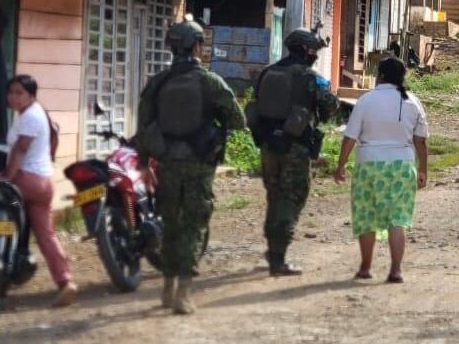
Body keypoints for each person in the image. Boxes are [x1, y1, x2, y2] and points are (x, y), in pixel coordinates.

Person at [136, 19, 245, 315]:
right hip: (199, 163)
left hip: (166, 163)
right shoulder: (210, 82)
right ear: (197, 46)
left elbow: (144, 126)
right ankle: (184, 291)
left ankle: (167, 289)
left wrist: (143, 164)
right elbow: (237, 119)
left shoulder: (157, 83)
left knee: (170, 223)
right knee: (194, 225)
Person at [250, 29, 339, 276]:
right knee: (291, 198)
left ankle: (273, 249)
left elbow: (256, 104)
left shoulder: (268, 72)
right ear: (303, 50)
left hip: (268, 146)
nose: (315, 55)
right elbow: (330, 107)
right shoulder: (309, 77)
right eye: (312, 50)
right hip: (295, 147)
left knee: (275, 196)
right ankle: (278, 259)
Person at [333, 58, 429, 283]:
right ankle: (396, 271)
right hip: (401, 167)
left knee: (366, 217)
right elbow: (420, 141)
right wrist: (423, 169)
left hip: (368, 166)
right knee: (398, 219)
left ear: (381, 76)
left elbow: (350, 136)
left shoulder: (366, 100)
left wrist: (340, 166)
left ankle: (365, 268)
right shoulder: (412, 102)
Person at [5, 74, 77, 307]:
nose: (14, 97)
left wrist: (7, 179)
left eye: (20, 93)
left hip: (28, 178)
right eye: (11, 92)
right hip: (45, 180)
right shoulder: (33, 113)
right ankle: (66, 282)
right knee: (46, 235)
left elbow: (20, 149)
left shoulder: (30, 117)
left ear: (32, 95)